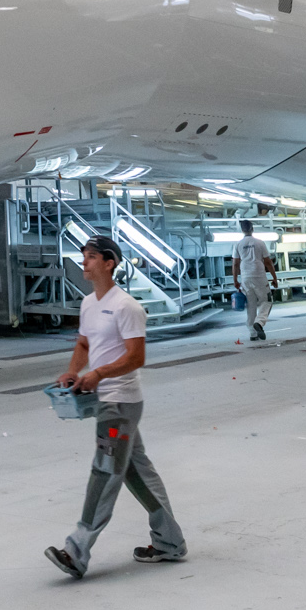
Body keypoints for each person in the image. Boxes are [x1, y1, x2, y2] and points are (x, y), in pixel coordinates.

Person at [45, 233, 188, 579]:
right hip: (106, 400)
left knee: (105, 472)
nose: (85, 261)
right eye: (84, 255)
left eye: (92, 256)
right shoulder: (88, 304)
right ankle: (170, 541)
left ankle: (76, 550)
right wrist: (74, 371)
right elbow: (83, 342)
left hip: (119, 404)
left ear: (110, 263)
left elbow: (136, 357)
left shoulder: (127, 307)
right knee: (136, 473)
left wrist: (99, 373)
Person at [235, 216, 278, 344]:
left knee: (251, 305)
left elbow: (235, 264)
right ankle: (259, 322)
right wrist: (274, 278)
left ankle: (253, 334)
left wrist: (235, 280)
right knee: (266, 301)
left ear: (242, 230)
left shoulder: (238, 244)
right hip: (259, 276)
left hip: (245, 277)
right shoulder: (260, 243)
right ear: (252, 229)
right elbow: (268, 262)